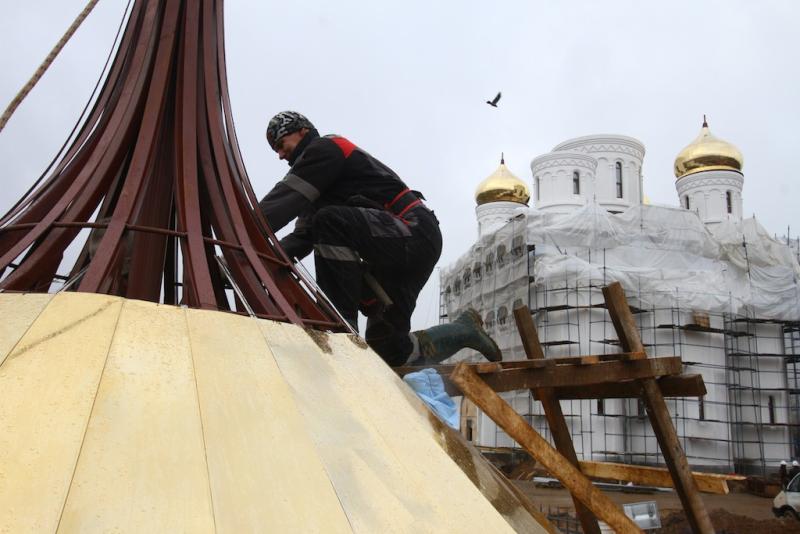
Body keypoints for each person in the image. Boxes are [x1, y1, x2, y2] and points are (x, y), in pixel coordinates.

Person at [258, 111, 501, 367]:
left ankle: (339, 326)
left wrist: (245, 226)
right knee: (388, 349)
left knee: (329, 222)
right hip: (400, 250)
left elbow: (284, 200)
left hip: (413, 231)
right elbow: (301, 238)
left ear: (302, 131)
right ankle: (464, 331)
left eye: (281, 144)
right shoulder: (320, 194)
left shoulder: (325, 148)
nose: (280, 154)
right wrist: (256, 260)